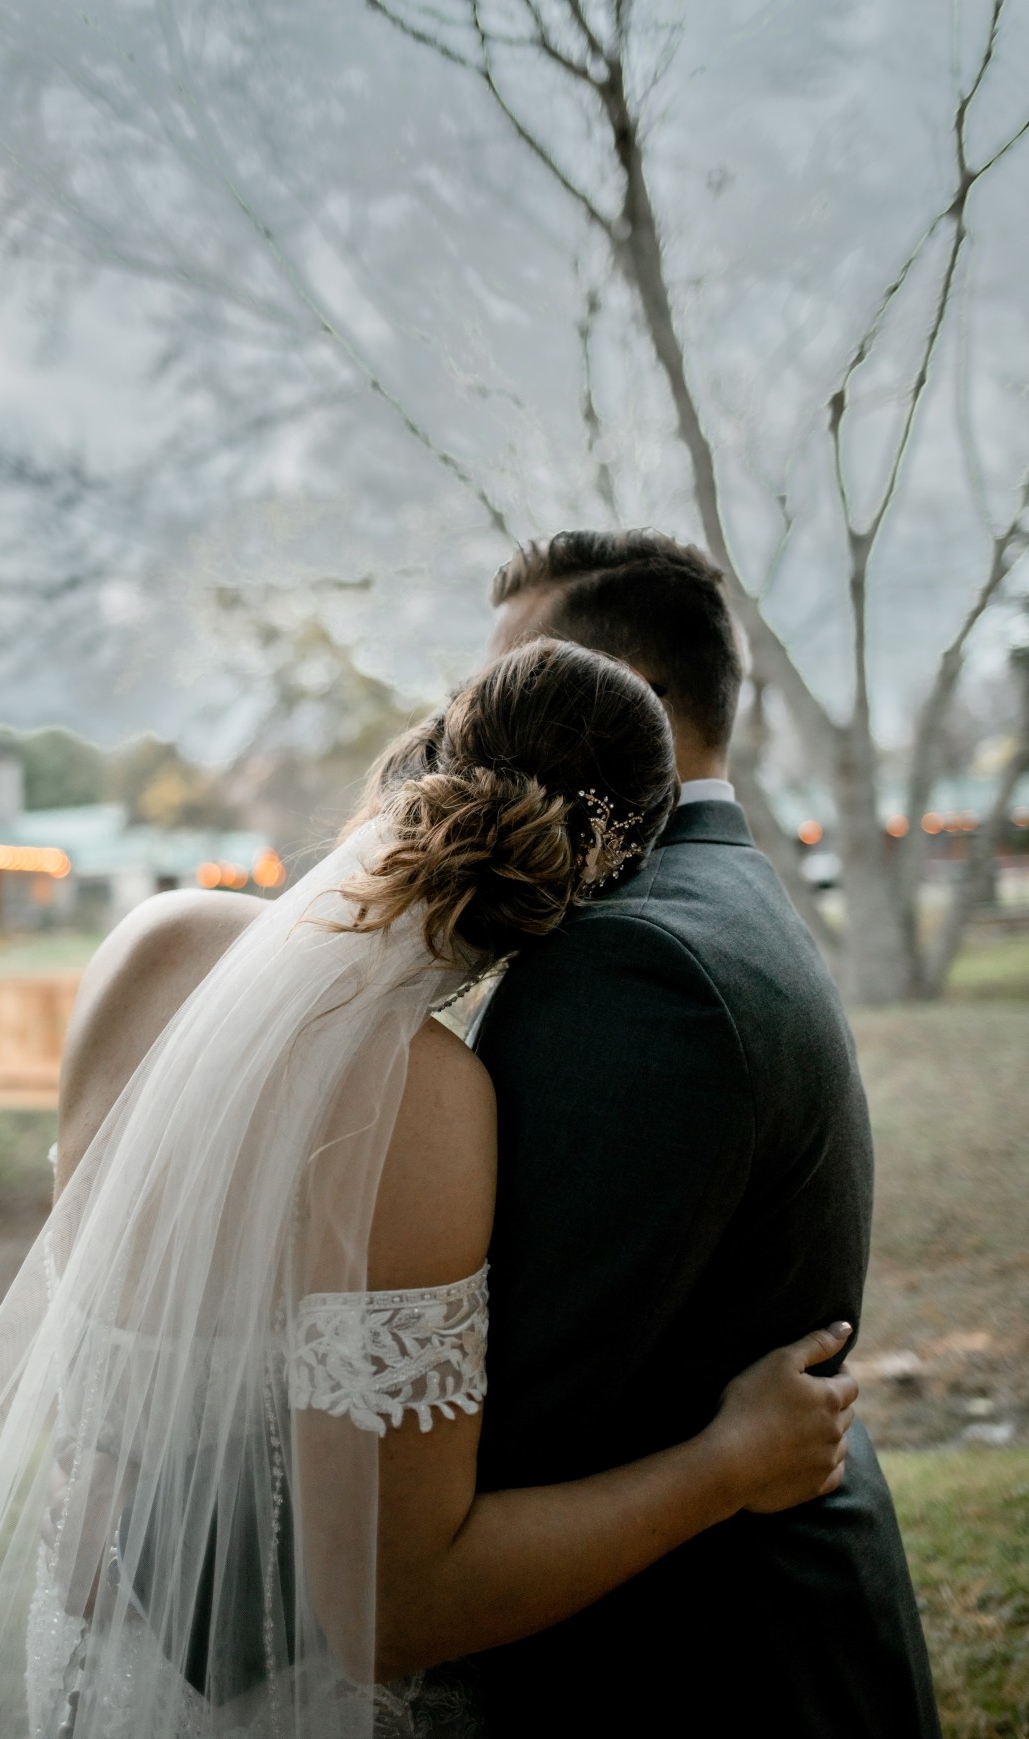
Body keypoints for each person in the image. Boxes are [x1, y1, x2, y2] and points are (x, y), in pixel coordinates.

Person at [0, 638, 858, 1739]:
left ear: (421, 757)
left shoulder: (151, 944)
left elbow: (105, 1326)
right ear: (580, 894)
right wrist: (730, 1462)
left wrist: (109, 1460)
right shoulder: (420, 1105)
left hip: (80, 1650)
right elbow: (390, 1608)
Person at [453, 531, 942, 1736]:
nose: (473, 734)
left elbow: (507, 1421)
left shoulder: (638, 959)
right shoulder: (719, 892)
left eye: (515, 685)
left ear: (636, 704)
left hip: (695, 1665)